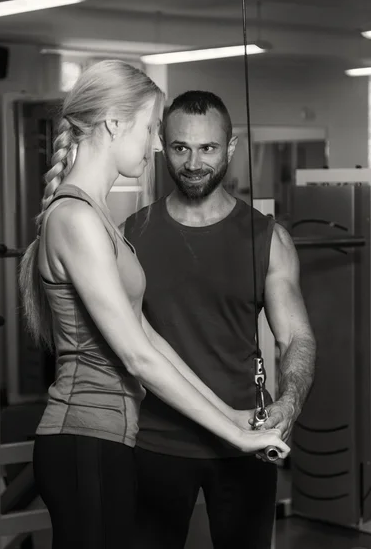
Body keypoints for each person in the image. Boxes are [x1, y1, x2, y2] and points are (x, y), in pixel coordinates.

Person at [18, 63, 289, 549]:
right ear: (114, 124)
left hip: (109, 440)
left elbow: (148, 337)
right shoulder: (76, 217)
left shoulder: (96, 216)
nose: (156, 145)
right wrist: (243, 439)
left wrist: (230, 416)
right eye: (150, 128)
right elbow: (136, 356)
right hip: (84, 438)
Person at [124, 90, 316, 549]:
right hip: (156, 438)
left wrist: (290, 401)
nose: (193, 162)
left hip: (246, 436)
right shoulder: (131, 235)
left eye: (208, 148)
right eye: (180, 147)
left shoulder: (268, 239)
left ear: (230, 148)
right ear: (162, 147)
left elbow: (296, 338)